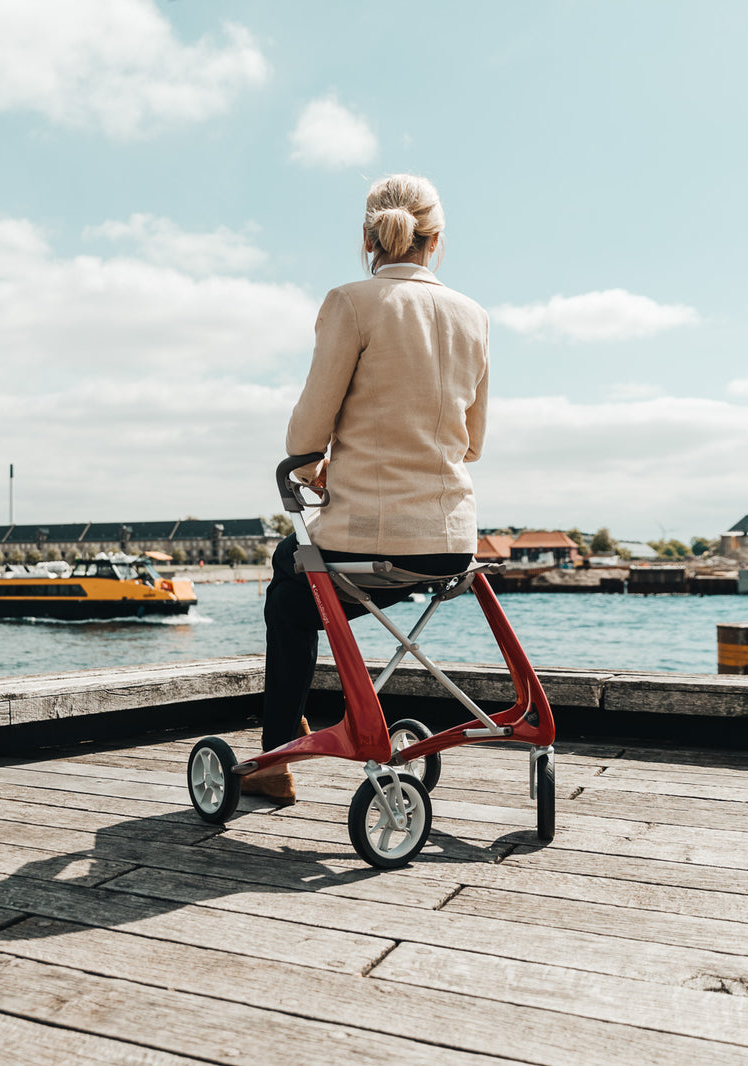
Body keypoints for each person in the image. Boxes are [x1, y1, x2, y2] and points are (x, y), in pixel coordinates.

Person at [247, 174, 489, 804]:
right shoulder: (473, 316)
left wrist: (310, 471)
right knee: (310, 585)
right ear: (436, 241)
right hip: (447, 547)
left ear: (367, 237)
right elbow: (472, 443)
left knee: (289, 583)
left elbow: (309, 426)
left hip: (368, 540)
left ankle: (278, 748)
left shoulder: (351, 303)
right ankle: (316, 725)